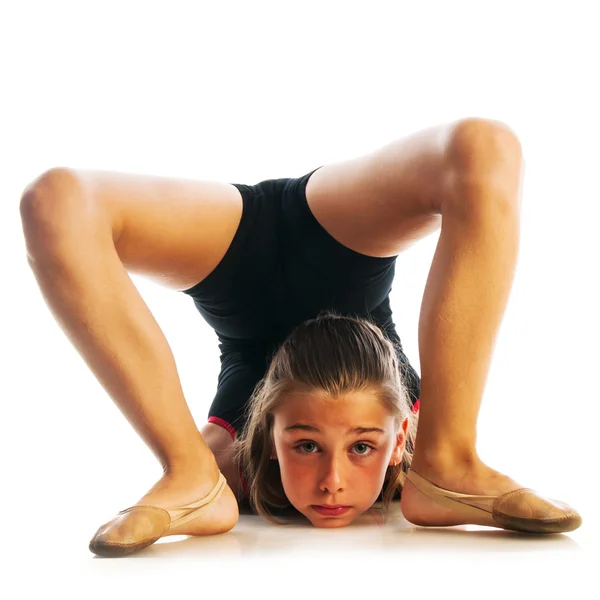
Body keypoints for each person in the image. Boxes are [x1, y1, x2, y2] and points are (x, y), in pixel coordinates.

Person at [19, 117, 582, 558]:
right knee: (51, 199)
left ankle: (450, 458)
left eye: (362, 446)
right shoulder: (237, 461)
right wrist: (196, 467)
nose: (332, 482)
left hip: (240, 276)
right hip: (338, 258)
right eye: (307, 445)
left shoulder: (238, 461)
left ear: (400, 436)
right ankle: (184, 473)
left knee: (55, 204)